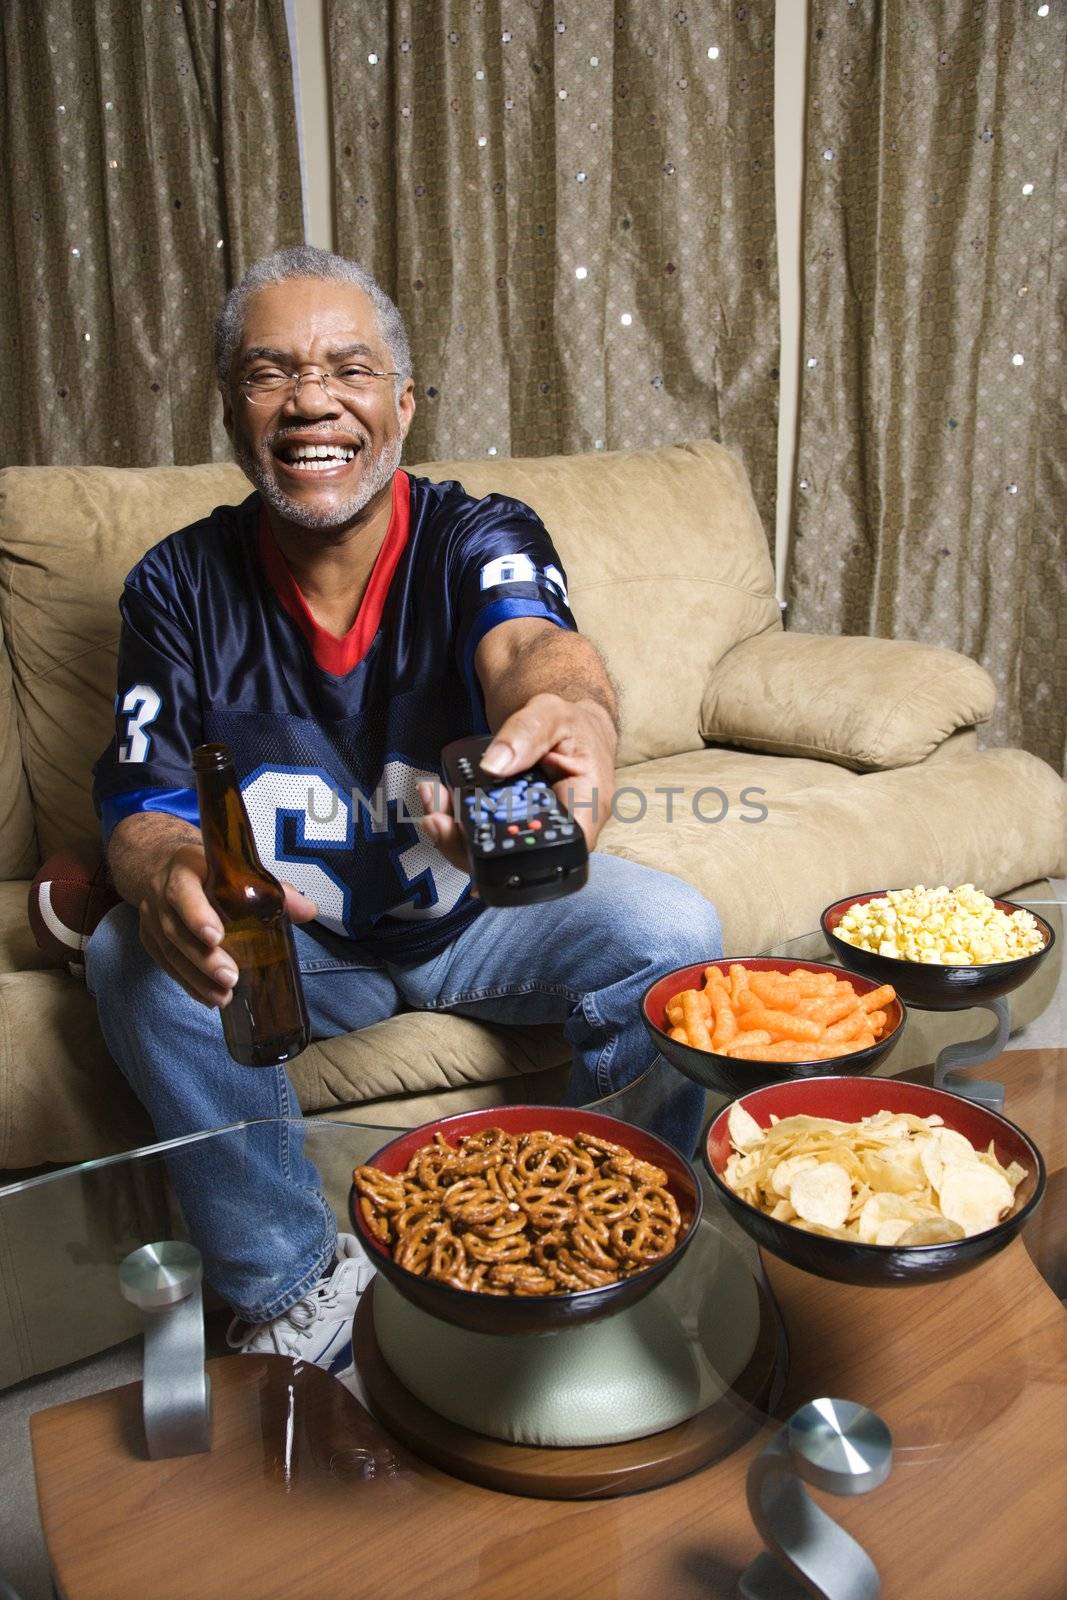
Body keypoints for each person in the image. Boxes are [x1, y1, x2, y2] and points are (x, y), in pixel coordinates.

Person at [86, 246, 723, 1384]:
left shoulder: (477, 533)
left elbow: (533, 646)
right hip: (298, 947)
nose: (312, 398)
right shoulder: (174, 585)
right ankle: (289, 1292)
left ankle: (573, 1224)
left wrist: (571, 706)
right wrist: (164, 868)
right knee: (127, 960)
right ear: (232, 412)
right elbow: (139, 805)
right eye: (268, 372)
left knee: (672, 934)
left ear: (404, 404)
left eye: (349, 368)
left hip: (470, 914)